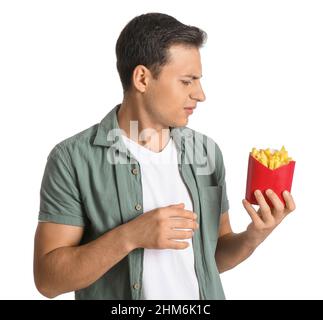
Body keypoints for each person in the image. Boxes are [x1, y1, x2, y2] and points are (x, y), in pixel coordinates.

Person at [33, 12, 296, 300]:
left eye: (198, 80)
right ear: (143, 78)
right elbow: (48, 280)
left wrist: (254, 235)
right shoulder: (72, 159)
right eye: (187, 81)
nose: (200, 94)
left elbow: (212, 256)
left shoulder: (205, 152)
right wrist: (130, 236)